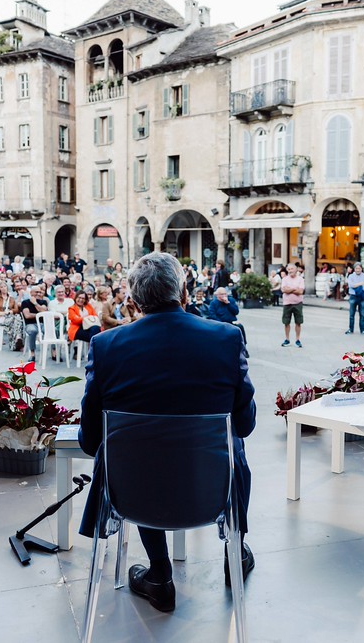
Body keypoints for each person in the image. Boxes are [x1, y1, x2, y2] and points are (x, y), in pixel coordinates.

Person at [77, 252, 256, 613]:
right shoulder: (226, 338)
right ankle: (234, 548)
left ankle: (159, 572)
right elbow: (246, 424)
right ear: (184, 292)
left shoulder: (106, 346)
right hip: (213, 491)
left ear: (133, 298)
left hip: (133, 496)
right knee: (232, 443)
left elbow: (89, 440)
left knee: (142, 458)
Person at [280, 263, 305, 347]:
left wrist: (289, 289)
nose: (290, 270)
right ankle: (287, 339)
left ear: (296, 269)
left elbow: (301, 291)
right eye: (289, 269)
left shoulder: (300, 279)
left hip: (298, 303)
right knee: (286, 322)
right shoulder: (284, 279)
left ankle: (297, 340)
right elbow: (283, 290)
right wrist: (295, 289)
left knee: (298, 322)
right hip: (287, 303)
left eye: (292, 269)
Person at [346, 263, 364, 335]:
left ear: (361, 269)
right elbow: (351, 285)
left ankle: (363, 330)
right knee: (351, 314)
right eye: (356, 268)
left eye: (359, 268)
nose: (358, 270)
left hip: (362, 296)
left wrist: (356, 284)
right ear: (354, 269)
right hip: (353, 296)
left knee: (362, 314)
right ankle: (350, 329)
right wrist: (360, 284)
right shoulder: (351, 276)